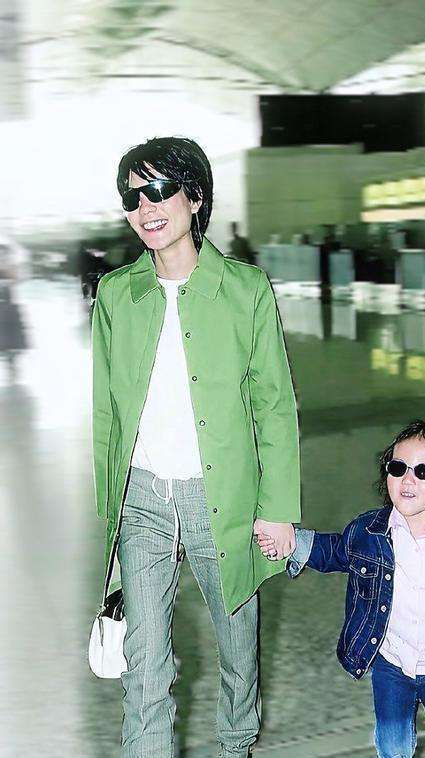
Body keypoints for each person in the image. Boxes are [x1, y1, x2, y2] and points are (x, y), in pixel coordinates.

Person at [91, 136, 299, 757]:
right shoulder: (116, 294)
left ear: (195, 196)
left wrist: (277, 508)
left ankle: (236, 744)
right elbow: (106, 414)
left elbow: (273, 404)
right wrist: (110, 510)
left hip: (224, 497)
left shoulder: (245, 289)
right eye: (133, 197)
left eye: (158, 190)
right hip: (142, 500)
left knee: (238, 648)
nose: (146, 208)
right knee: (144, 662)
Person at [256, 420, 425, 758]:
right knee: (392, 744)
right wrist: (291, 542)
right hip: (391, 665)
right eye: (398, 467)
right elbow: (334, 551)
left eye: (424, 471)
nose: (407, 479)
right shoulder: (368, 532)